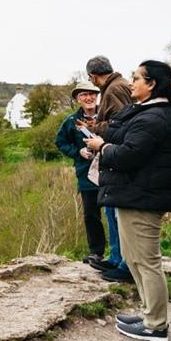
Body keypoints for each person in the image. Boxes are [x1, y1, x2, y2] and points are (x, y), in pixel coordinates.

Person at [84, 60, 171, 341]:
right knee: (134, 258)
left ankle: (156, 325)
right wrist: (103, 134)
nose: (131, 83)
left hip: (144, 196)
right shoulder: (147, 112)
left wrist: (101, 147)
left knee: (147, 261)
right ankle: (148, 314)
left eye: (136, 78)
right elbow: (122, 133)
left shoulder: (154, 117)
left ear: (151, 84)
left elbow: (129, 154)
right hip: (135, 193)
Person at [82, 56, 134, 283]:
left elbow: (121, 125)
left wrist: (94, 127)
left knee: (114, 211)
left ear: (93, 76)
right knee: (112, 210)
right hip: (118, 156)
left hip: (116, 156)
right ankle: (115, 257)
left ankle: (122, 262)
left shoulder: (113, 90)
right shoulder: (120, 84)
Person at [55, 81, 106, 265]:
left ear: (97, 96)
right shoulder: (71, 121)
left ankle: (120, 253)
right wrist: (78, 152)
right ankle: (97, 252)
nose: (88, 97)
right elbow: (60, 142)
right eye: (83, 94)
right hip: (86, 174)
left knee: (115, 213)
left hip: (110, 170)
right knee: (91, 214)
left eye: (92, 93)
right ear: (78, 99)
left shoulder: (107, 116)